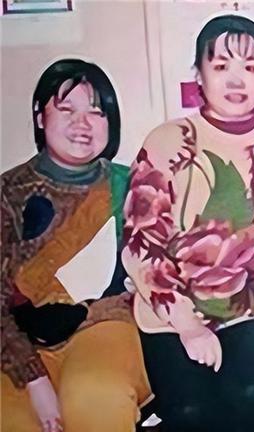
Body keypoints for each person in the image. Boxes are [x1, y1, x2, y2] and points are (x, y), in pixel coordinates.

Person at [121, 14, 254, 432]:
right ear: (199, 75)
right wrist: (188, 325)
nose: (236, 80)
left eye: (250, 67)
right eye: (221, 66)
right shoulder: (166, 142)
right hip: (173, 309)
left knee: (249, 395)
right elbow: (140, 245)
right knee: (192, 413)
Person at [1, 59, 151, 432]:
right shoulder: (8, 193)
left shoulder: (134, 187)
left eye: (96, 112)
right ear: (40, 116)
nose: (82, 123)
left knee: (94, 396)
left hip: (109, 327)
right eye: (67, 109)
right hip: (18, 343)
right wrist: (33, 378)